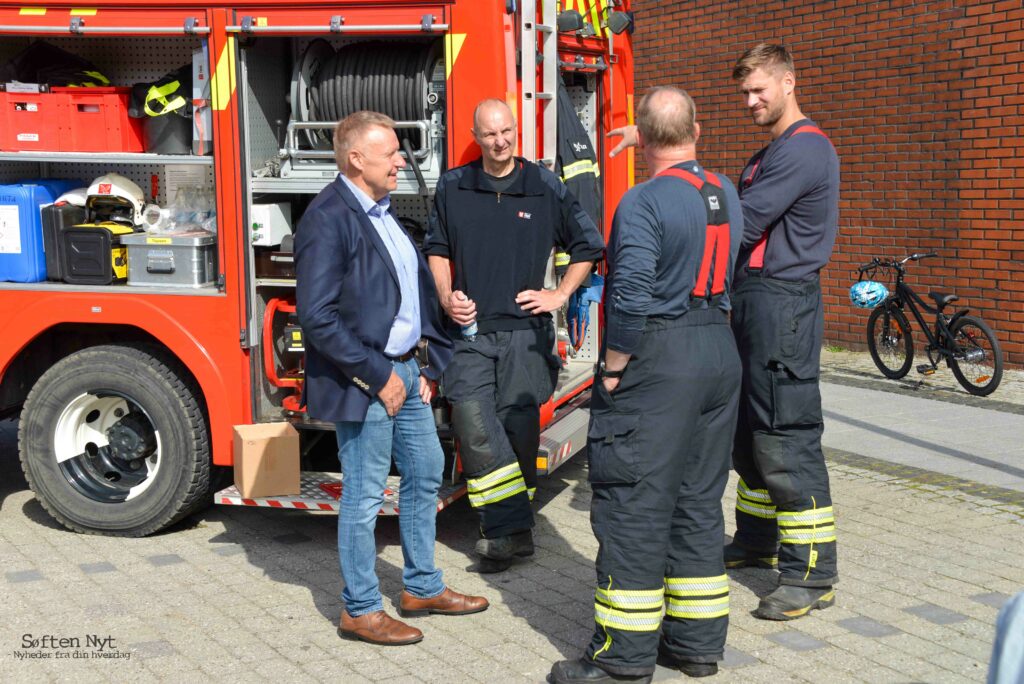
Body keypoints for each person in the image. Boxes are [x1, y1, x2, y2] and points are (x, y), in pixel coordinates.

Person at [605, 44, 841, 621]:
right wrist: (658, 142)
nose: (752, 100)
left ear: (789, 82)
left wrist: (675, 193)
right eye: (745, 93)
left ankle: (812, 574)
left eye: (760, 89)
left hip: (782, 304)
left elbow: (741, 221)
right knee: (750, 430)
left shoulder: (804, 150)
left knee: (785, 433)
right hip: (755, 303)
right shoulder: (775, 150)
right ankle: (757, 541)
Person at [550, 86, 742, 683]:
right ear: (698, 131)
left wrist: (610, 368)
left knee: (635, 504)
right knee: (697, 501)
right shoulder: (725, 191)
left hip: (660, 357)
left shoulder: (641, 203)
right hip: (718, 348)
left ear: (641, 136)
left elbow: (629, 297)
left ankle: (623, 661)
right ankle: (695, 645)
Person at [295, 111, 488, 646]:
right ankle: (359, 609)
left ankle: (422, 586)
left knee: (426, 471)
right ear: (357, 159)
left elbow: (411, 298)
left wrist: (424, 364)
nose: (403, 160)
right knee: (363, 494)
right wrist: (379, 376)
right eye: (392, 153)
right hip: (368, 377)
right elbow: (317, 317)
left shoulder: (384, 212)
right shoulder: (328, 217)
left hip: (405, 370)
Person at [424, 98, 605, 573]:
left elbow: (589, 245)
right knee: (473, 421)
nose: (500, 142)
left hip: (525, 333)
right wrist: (445, 296)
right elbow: (437, 248)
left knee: (519, 430)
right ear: (475, 135)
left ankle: (510, 531)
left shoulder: (543, 185)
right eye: (490, 135)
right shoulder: (453, 186)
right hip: (468, 333)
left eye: (507, 132)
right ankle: (509, 527)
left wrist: (560, 294)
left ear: (515, 130)